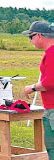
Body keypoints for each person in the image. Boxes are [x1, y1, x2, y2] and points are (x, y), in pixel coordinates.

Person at [22, 21, 54, 159]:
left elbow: (50, 82)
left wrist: (32, 87)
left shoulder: (52, 53)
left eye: (31, 37)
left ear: (39, 35)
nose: (31, 41)